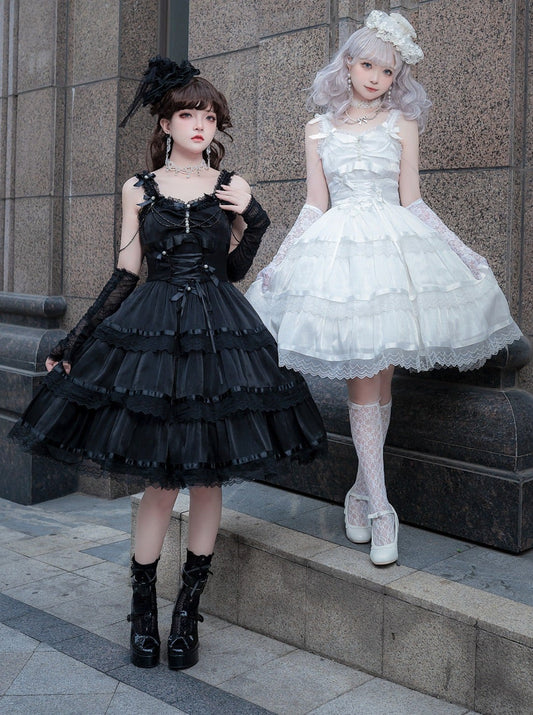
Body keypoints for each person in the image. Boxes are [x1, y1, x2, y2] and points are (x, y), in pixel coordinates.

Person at [10, 56, 327, 670]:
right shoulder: (138, 188)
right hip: (154, 333)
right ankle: (142, 614)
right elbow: (126, 273)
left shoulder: (229, 186)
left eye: (208, 116)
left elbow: (233, 272)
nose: (200, 125)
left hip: (218, 331)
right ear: (166, 123)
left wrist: (255, 218)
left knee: (208, 481)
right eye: (188, 115)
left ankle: (186, 615)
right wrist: (74, 342)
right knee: (159, 484)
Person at [246, 11, 522, 567]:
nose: (376, 77)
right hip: (340, 258)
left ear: (397, 77)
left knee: (381, 376)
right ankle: (381, 509)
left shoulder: (402, 124)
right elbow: (315, 205)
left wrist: (462, 250)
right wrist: (279, 259)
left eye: (388, 70)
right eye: (368, 65)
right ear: (348, 64)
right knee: (364, 380)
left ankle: (360, 490)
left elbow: (412, 200)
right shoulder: (318, 129)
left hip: (393, 255)